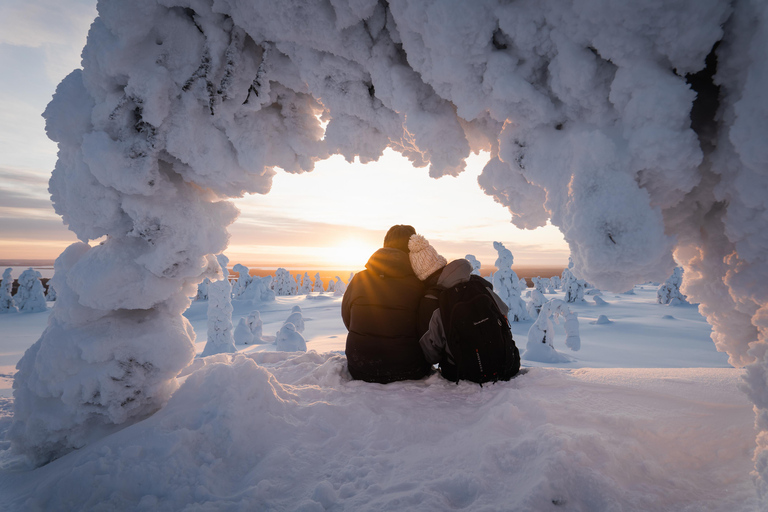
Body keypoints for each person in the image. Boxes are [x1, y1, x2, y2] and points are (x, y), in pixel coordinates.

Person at [408, 234, 514, 380]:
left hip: (463, 372)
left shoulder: (431, 300)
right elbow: (504, 311)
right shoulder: (478, 283)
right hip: (507, 363)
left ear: (421, 275)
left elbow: (431, 352)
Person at [342, 225, 431, 383]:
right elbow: (426, 328)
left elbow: (347, 318)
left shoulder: (359, 279)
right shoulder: (420, 284)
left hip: (360, 368)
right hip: (410, 369)